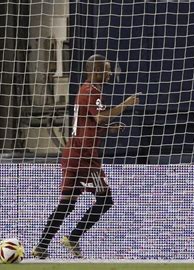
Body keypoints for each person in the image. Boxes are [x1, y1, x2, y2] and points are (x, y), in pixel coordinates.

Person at [32, 54, 140, 259]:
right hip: (86, 158)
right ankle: (73, 238)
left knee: (66, 204)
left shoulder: (86, 90)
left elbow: (89, 123)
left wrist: (107, 129)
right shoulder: (91, 91)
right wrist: (126, 104)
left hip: (71, 154)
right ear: (96, 71)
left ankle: (41, 247)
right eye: (106, 69)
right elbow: (99, 116)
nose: (109, 73)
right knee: (105, 200)